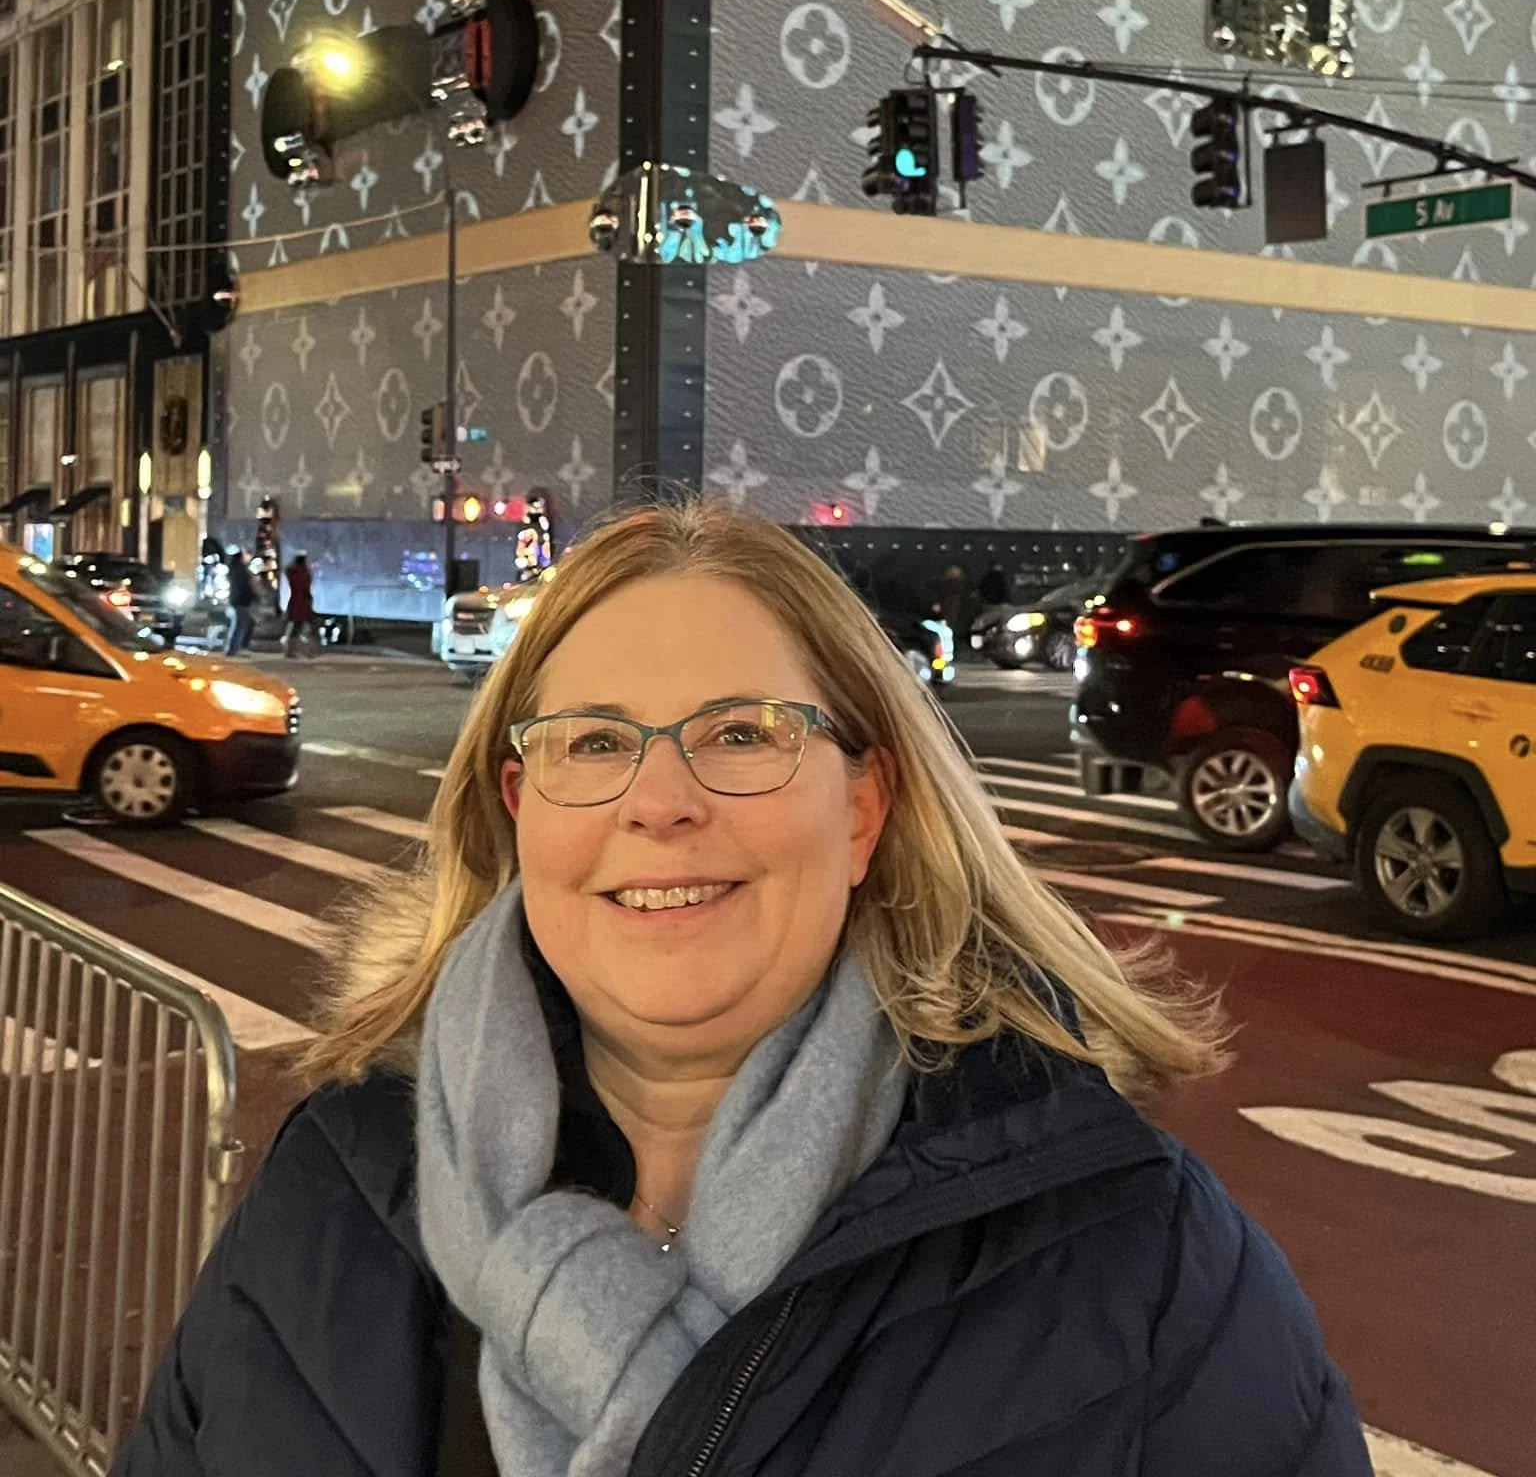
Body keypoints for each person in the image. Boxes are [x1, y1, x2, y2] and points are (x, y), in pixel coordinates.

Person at [115, 500, 1371, 1477]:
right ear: (519, 807)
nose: (659, 799)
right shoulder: (335, 1186)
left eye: (741, 732)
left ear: (864, 808)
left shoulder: (1144, 1262)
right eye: (594, 741)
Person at [282, 551, 318, 659]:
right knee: (306, 628)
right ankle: (308, 651)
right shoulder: (305, 572)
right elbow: (306, 588)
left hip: (294, 602)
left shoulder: (292, 572)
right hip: (304, 603)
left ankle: (289, 650)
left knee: (293, 628)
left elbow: (287, 570)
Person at [224, 547, 255, 656]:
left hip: (237, 600)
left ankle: (234, 648)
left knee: (240, 624)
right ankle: (234, 648)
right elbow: (244, 586)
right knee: (239, 625)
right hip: (241, 601)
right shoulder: (240, 570)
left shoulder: (233, 569)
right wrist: (252, 595)